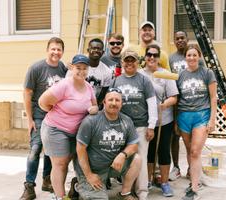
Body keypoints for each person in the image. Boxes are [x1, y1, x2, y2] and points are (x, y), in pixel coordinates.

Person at [38, 54, 98, 199]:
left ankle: (62, 193)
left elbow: (95, 105)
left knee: (67, 162)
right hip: (55, 129)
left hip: (75, 132)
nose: (81, 71)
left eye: (84, 68)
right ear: (72, 67)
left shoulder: (88, 86)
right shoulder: (64, 85)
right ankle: (60, 197)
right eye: (78, 68)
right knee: (59, 164)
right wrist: (55, 111)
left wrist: (94, 109)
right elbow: (42, 102)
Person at [20, 37, 67, 200]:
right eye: (53, 49)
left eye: (59, 49)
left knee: (51, 151)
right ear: (47, 50)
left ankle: (47, 180)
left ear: (62, 52)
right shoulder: (36, 68)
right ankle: (29, 185)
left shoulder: (63, 68)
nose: (56, 52)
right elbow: (27, 93)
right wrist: (30, 119)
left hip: (56, 117)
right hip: (39, 116)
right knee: (35, 150)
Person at [74, 88, 141, 200]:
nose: (114, 103)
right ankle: (78, 184)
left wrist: (123, 155)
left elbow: (134, 145)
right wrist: (89, 175)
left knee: (137, 159)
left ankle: (125, 194)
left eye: (117, 100)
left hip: (113, 166)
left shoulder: (126, 121)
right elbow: (80, 149)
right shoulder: (91, 121)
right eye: (110, 100)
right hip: (93, 169)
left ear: (121, 103)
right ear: (104, 102)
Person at [111, 49, 158, 200]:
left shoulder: (144, 80)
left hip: (141, 126)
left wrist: (151, 126)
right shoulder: (116, 81)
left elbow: (152, 104)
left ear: (138, 62)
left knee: (141, 159)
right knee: (127, 160)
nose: (129, 63)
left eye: (133, 60)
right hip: (122, 128)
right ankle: (127, 190)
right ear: (122, 62)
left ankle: (142, 192)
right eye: (127, 60)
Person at [176, 44, 217, 200]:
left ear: (199, 57)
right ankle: (194, 180)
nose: (191, 58)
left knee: (195, 152)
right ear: (185, 57)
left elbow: (213, 98)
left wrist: (212, 119)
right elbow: (178, 98)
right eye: (189, 55)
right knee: (189, 152)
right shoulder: (180, 75)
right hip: (184, 116)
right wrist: (175, 122)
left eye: (194, 55)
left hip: (201, 115)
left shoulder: (207, 73)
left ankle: (194, 188)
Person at [138, 44, 178, 197]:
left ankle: (164, 182)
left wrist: (165, 103)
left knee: (163, 152)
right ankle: (148, 180)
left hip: (164, 121)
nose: (152, 58)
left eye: (155, 55)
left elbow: (174, 97)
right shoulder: (140, 74)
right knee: (148, 152)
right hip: (146, 121)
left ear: (159, 57)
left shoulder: (166, 74)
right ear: (145, 56)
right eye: (149, 54)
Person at [169, 31, 206, 181]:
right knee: (175, 136)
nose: (179, 41)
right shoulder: (171, 58)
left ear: (187, 39)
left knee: (195, 140)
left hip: (194, 102)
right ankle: (176, 167)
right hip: (177, 100)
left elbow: (203, 79)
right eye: (176, 39)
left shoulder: (196, 57)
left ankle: (193, 167)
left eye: (182, 38)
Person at [86, 38, 113, 108]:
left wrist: (96, 106)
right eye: (93, 48)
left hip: (95, 105)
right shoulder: (79, 66)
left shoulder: (107, 71)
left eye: (99, 49)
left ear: (103, 52)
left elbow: (103, 93)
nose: (96, 51)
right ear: (88, 50)